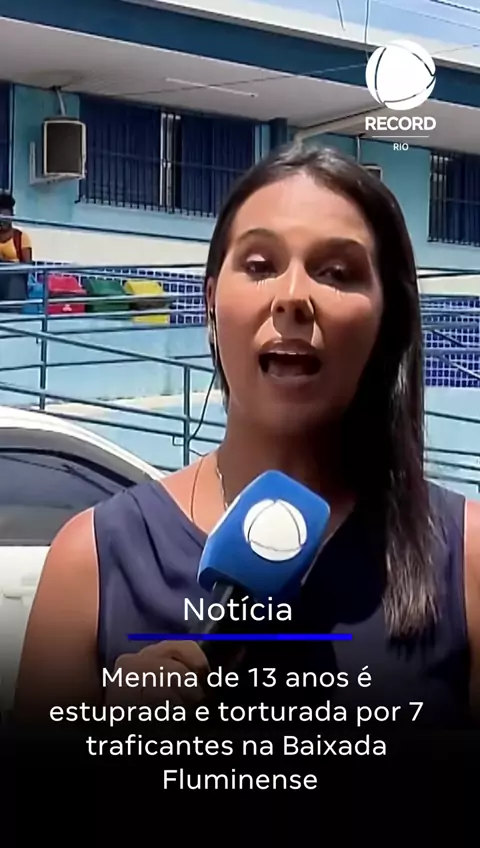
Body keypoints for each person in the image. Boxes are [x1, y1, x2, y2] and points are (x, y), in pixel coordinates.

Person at [14, 144, 480, 763]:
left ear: (387, 317)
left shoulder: (467, 559)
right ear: (210, 300)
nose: (293, 298)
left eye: (337, 272)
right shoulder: (92, 560)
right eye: (260, 265)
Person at [0, 192, 32, 310]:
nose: (2, 222)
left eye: (5, 218)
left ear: (12, 216)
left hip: (14, 283)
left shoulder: (21, 237)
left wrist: (8, 265)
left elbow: (28, 266)